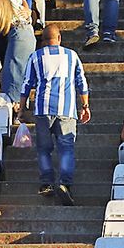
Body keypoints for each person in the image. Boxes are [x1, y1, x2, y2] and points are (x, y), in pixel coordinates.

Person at [21, 23, 90, 205]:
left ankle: (47, 183)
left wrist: (21, 108)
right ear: (59, 38)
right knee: (66, 149)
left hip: (42, 110)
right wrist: (85, 105)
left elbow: (26, 84)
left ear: (43, 40)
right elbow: (81, 82)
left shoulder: (35, 56)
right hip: (66, 110)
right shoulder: (72, 56)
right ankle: (65, 184)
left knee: (44, 149)